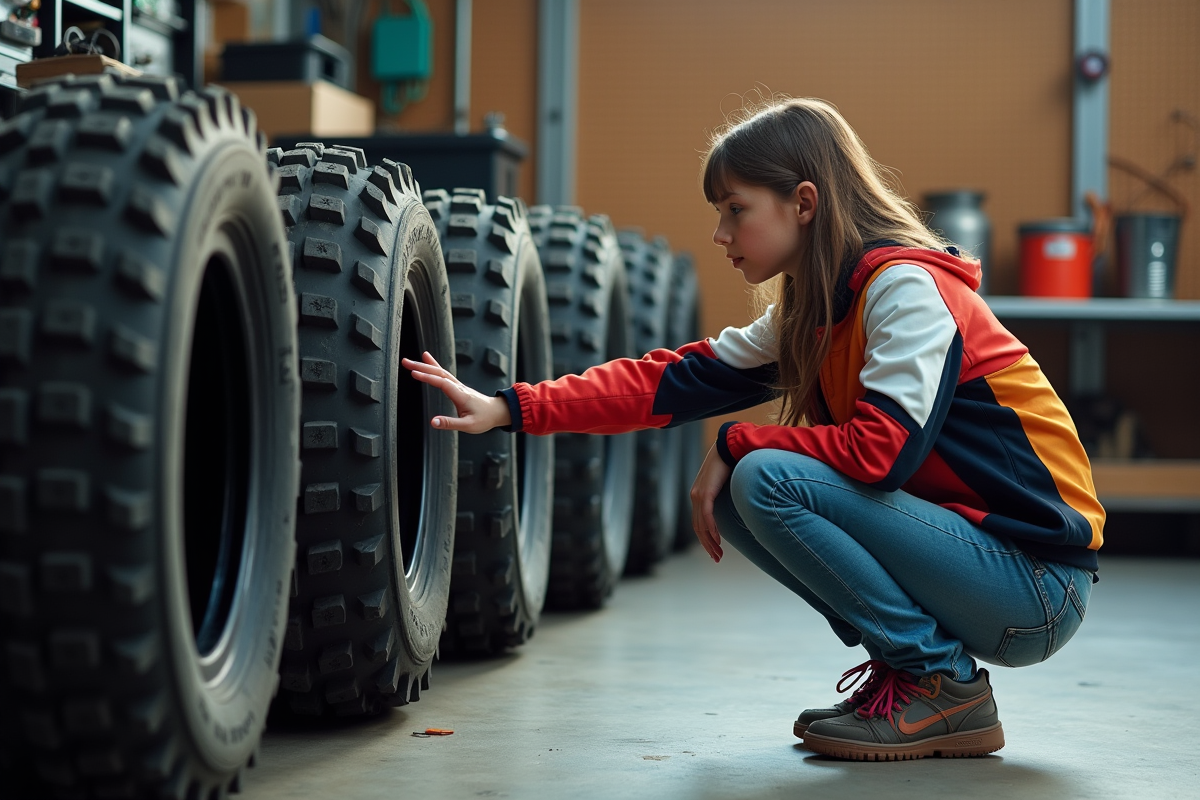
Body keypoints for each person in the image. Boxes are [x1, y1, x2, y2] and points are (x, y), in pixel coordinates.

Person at [403, 96, 1104, 762]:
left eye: (736, 210)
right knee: (743, 487)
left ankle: (939, 682)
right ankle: (916, 670)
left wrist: (736, 442)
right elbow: (667, 379)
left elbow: (881, 454)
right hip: (980, 562)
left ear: (804, 203)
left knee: (759, 475)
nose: (720, 234)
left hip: (1039, 585)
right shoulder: (817, 312)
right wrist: (511, 407)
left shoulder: (906, 291)